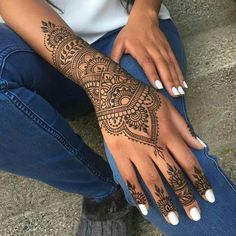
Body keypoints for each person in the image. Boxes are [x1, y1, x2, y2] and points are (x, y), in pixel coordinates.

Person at [0, 0, 235, 235]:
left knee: (152, 167)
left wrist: (145, 14)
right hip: (35, 49)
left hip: (128, 29)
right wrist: (104, 80)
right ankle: (103, 190)